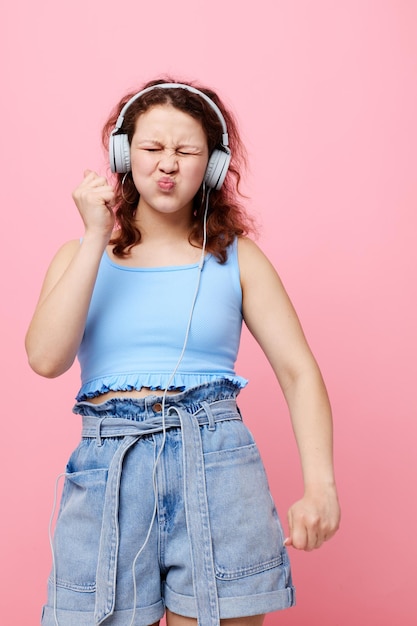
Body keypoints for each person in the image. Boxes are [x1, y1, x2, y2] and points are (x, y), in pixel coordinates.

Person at [26, 79, 341, 626]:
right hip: (109, 471)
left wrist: (322, 486)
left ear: (212, 167)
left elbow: (298, 372)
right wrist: (96, 235)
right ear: (124, 157)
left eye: (186, 151)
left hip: (217, 464)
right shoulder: (79, 257)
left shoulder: (239, 260)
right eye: (151, 149)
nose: (167, 165)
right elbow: (46, 359)